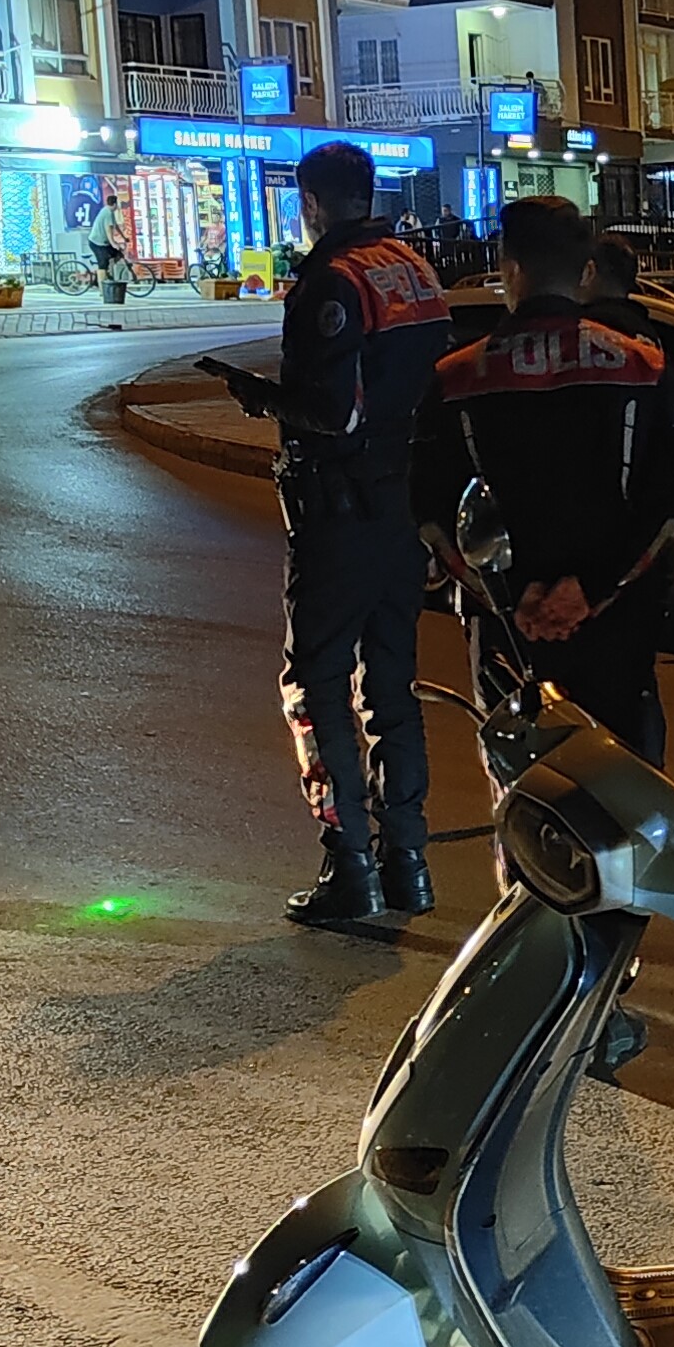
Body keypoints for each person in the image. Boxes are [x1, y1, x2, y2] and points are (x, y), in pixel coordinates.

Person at [222, 142, 449, 926]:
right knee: (392, 687)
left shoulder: (332, 281)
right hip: (403, 507)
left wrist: (261, 398)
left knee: (315, 685)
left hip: (339, 508)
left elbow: (333, 412)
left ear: (312, 200)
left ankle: (349, 862)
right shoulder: (414, 271)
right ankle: (408, 861)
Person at [417, 196, 674, 762]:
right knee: (627, 794)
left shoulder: (455, 379)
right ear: (585, 271)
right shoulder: (644, 367)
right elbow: (673, 500)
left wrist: (512, 600)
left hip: (509, 639)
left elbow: (429, 510)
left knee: (524, 796)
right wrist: (591, 591)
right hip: (617, 635)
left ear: (510, 268)